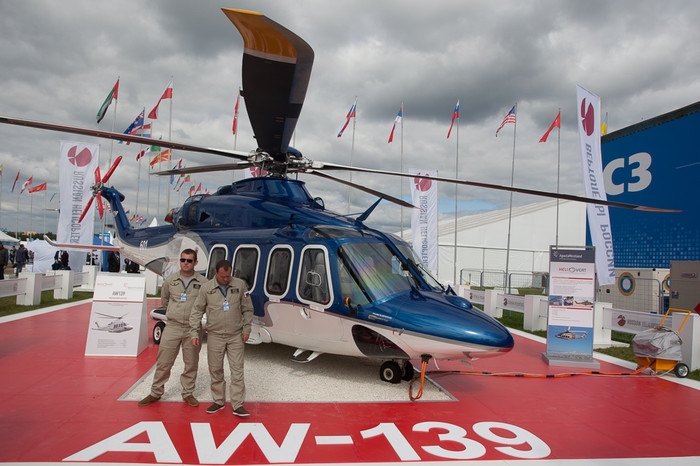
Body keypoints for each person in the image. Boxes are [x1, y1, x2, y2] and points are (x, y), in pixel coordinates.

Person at [139, 249, 206, 407]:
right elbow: (165, 301)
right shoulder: (170, 280)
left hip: (192, 329)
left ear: (195, 263)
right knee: (164, 361)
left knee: (191, 363)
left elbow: (206, 304)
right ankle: (156, 392)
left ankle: (188, 393)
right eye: (183, 260)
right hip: (173, 327)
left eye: (189, 260)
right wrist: (175, 312)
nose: (185, 263)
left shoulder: (203, 283)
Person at [190, 259, 253, 416]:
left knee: (237, 370)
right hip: (215, 335)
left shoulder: (240, 285)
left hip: (235, 335)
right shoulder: (206, 288)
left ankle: (237, 404)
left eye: (228, 276)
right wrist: (194, 332)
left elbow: (248, 309)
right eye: (222, 276)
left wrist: (246, 329)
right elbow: (197, 311)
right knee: (216, 369)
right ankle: (218, 401)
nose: (225, 279)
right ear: (215, 273)